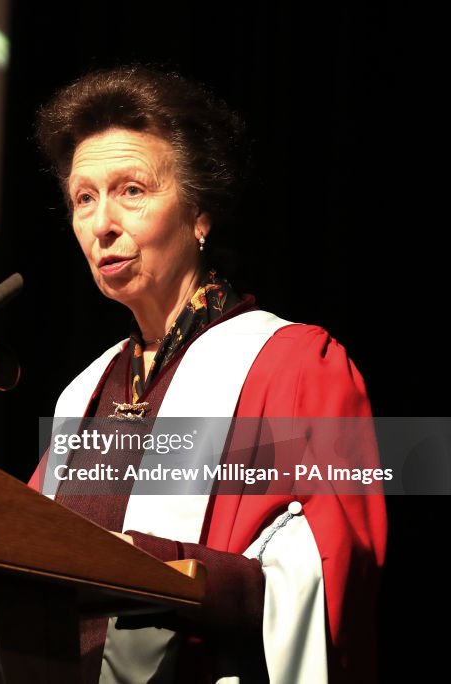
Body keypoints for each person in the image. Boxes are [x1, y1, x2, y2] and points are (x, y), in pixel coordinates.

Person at [26, 66, 386, 683]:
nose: (102, 223)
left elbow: (336, 570)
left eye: (131, 190)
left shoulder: (294, 364)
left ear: (200, 215)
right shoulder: (84, 394)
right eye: (84, 198)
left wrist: (162, 570)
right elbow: (24, 550)